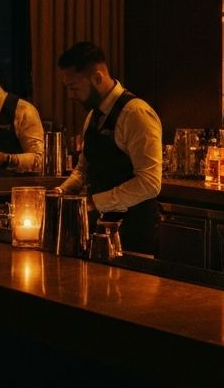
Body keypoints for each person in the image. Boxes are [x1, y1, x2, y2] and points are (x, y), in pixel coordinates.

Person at [57, 42, 162, 255]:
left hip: (134, 233)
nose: (70, 96)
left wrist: (93, 203)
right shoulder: (93, 116)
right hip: (100, 232)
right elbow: (84, 169)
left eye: (74, 88)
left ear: (97, 77)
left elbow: (150, 183)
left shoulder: (136, 114)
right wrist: (61, 191)